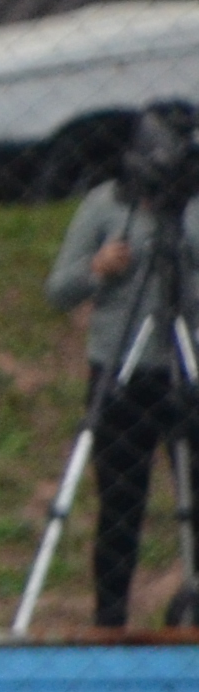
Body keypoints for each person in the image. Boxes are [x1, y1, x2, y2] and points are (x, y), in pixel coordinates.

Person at [49, 134, 198, 629]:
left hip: (188, 365)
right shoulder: (105, 206)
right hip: (121, 370)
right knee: (120, 502)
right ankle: (109, 616)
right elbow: (59, 290)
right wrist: (98, 268)